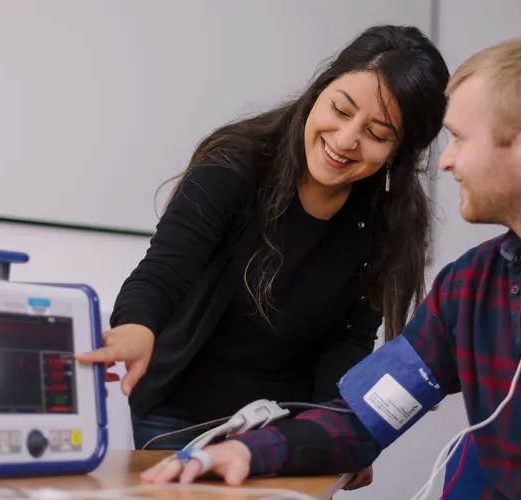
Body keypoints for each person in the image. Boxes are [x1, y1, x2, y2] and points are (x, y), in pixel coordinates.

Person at [138, 33, 521, 498]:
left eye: (457, 138)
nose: (445, 162)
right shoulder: (470, 289)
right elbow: (364, 415)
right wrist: (255, 452)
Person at [75, 25, 451, 490]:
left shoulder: (389, 220)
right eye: (340, 108)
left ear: (399, 152)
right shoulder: (234, 165)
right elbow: (163, 271)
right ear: (320, 90)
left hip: (283, 430)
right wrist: (136, 325)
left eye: (377, 133)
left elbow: (350, 342)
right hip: (175, 417)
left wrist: (337, 432)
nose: (346, 139)